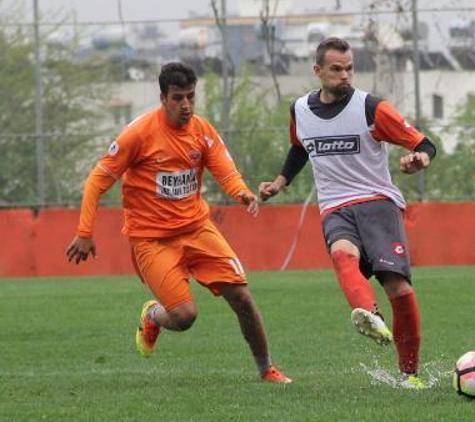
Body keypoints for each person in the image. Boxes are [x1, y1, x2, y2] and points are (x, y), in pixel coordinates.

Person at [65, 62, 291, 384]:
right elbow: (97, 180)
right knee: (185, 317)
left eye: (191, 97)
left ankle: (266, 369)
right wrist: (84, 232)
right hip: (152, 240)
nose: (186, 105)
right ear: (163, 98)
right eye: (178, 98)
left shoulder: (201, 131)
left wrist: (241, 192)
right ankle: (152, 315)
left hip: (198, 229)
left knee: (242, 297)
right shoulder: (139, 134)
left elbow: (224, 169)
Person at [258, 37, 437, 389]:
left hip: (377, 204)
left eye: (349, 68)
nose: (345, 76)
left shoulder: (372, 108)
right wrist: (279, 183)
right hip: (335, 207)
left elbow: (423, 143)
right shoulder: (300, 111)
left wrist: (420, 160)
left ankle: (410, 374)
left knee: (399, 290)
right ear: (318, 71)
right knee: (343, 255)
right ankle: (369, 315)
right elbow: (299, 149)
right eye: (336, 69)